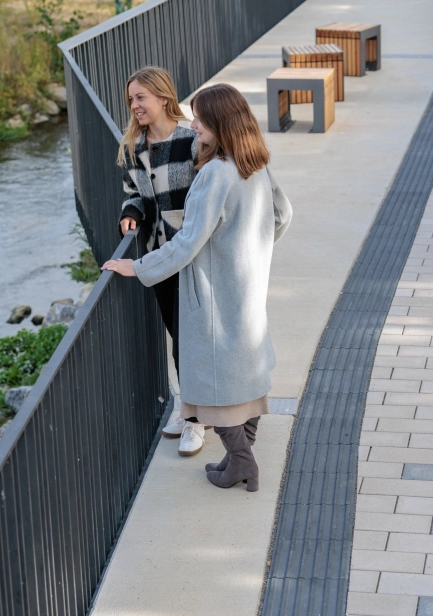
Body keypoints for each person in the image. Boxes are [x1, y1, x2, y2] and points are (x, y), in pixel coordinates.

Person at [103, 84, 293, 492]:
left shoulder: (213, 173)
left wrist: (137, 266)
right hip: (246, 285)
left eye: (201, 119)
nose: (194, 124)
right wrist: (251, 250)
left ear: (220, 121)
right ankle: (236, 459)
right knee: (244, 371)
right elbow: (283, 214)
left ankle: (242, 462)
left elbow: (188, 242)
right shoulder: (254, 163)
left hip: (211, 293)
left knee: (210, 382)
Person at [116, 66, 208, 456]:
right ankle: (188, 408)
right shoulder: (134, 146)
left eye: (141, 97)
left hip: (191, 255)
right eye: (131, 99)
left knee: (191, 339)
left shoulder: (191, 141)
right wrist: (131, 212)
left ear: (164, 98)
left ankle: (195, 420)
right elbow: (132, 191)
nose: (134, 105)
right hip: (158, 257)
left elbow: (207, 195)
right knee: (177, 336)